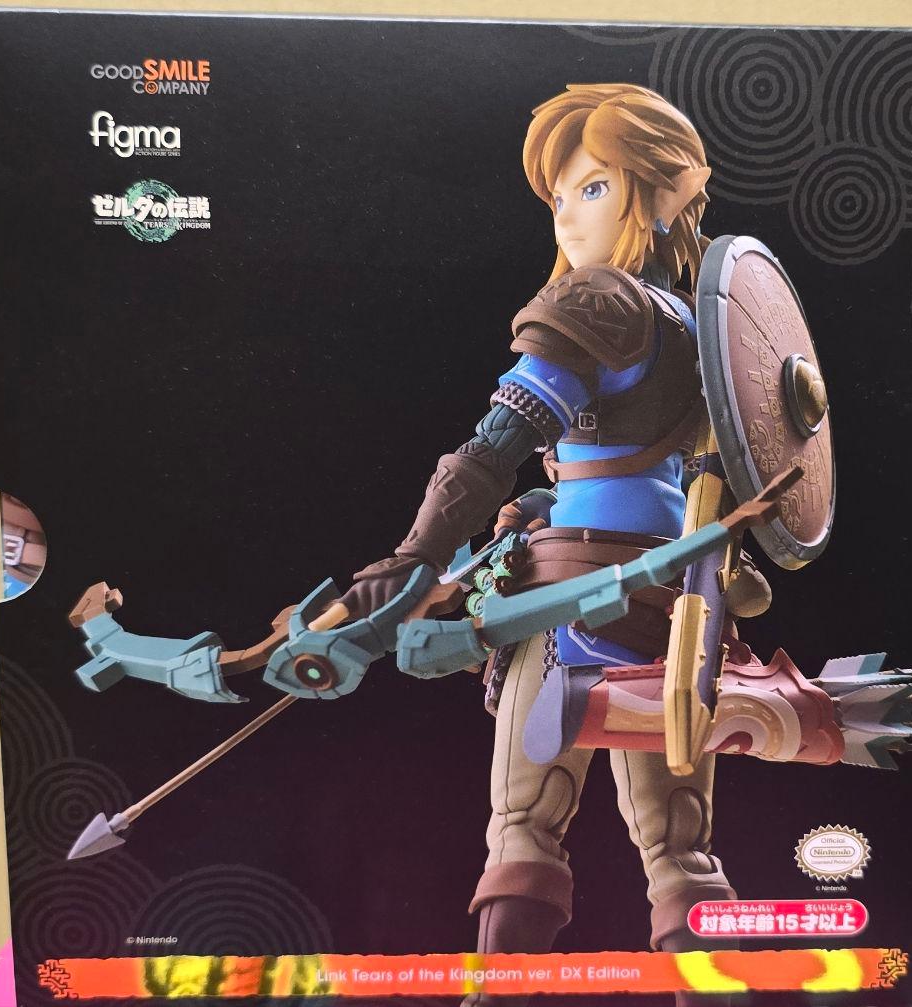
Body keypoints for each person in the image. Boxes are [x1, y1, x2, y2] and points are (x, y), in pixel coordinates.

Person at [341, 84, 759, 1006]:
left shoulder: (598, 300)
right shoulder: (704, 325)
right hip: (676, 610)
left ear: (659, 195)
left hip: (575, 601)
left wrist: (411, 561)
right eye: (561, 196)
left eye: (594, 187)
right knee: (681, 847)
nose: (568, 214)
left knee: (525, 827)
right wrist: (540, 501)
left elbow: (492, 445)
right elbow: (646, 468)